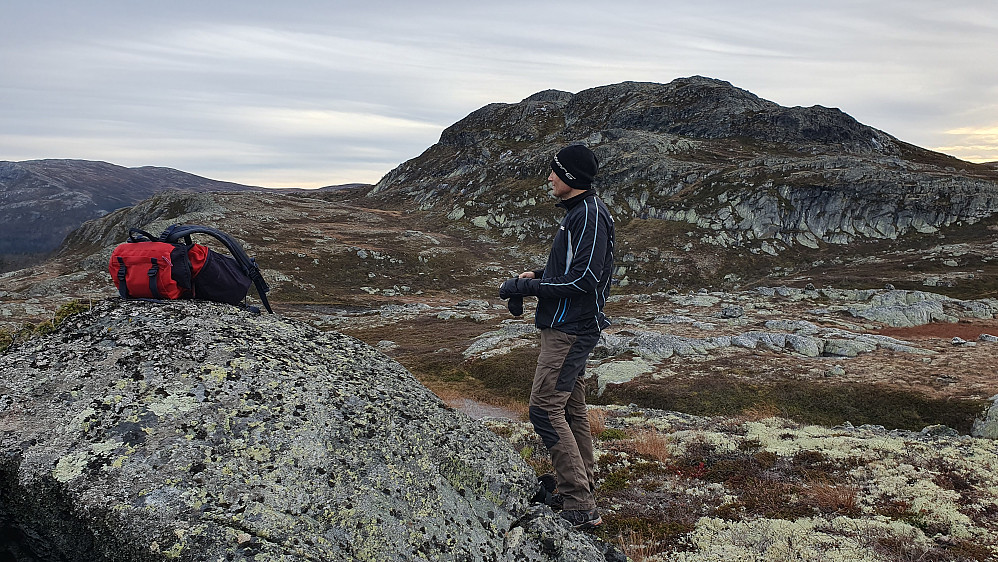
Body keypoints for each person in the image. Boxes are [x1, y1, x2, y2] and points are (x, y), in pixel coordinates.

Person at [498, 144, 615, 531]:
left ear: (569, 177)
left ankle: (579, 503)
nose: (549, 178)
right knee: (569, 407)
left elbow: (585, 280)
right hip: (566, 326)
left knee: (544, 409)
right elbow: (567, 270)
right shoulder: (579, 215)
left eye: (554, 172)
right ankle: (581, 486)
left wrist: (528, 289)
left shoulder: (590, 216)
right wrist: (533, 278)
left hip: (571, 330)